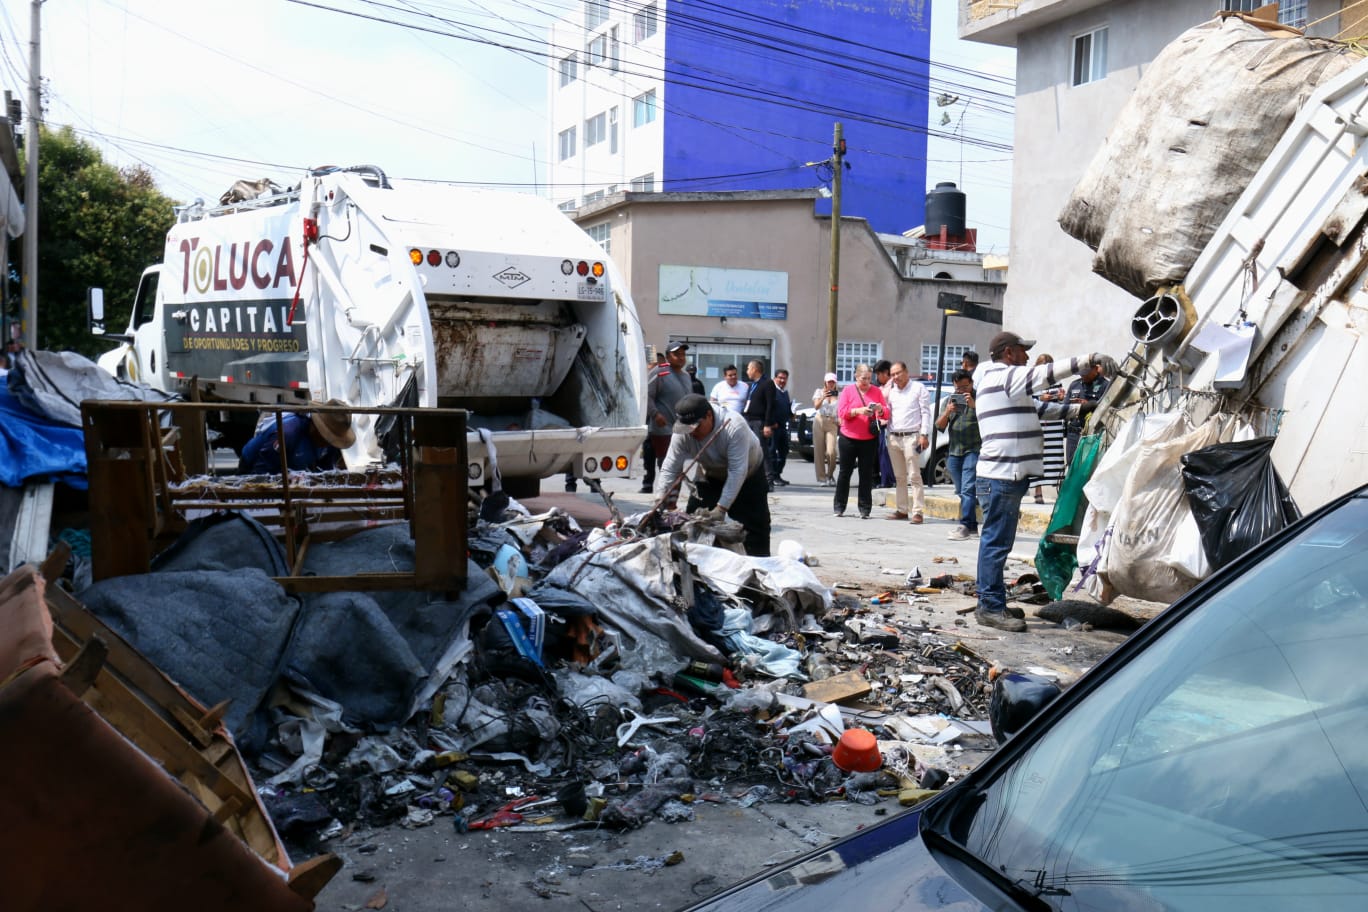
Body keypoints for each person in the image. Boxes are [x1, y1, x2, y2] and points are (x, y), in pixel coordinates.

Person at [974, 331, 1117, 632]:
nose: (1026, 357)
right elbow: (1043, 375)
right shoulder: (1001, 375)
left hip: (1007, 476)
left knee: (999, 542)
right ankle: (989, 607)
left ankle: (993, 602)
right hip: (1001, 476)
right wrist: (1087, 360)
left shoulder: (1007, 384)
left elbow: (1041, 410)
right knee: (996, 544)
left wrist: (1080, 409)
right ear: (1009, 353)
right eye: (1023, 352)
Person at [656, 393, 771, 557]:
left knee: (754, 529)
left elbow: (737, 471)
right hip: (710, 475)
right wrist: (660, 499)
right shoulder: (682, 433)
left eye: (695, 428)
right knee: (693, 524)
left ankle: (759, 569)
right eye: (687, 429)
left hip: (748, 475)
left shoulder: (733, 426)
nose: (691, 434)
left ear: (709, 415)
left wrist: (721, 508)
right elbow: (670, 467)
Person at [239, 400, 356, 474]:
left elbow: (325, 469)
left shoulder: (329, 445)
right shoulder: (288, 433)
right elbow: (261, 470)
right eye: (326, 437)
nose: (327, 442)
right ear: (315, 427)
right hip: (254, 464)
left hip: (293, 468)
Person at [833, 363, 887, 519]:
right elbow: (842, 412)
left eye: (869, 379)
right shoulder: (848, 391)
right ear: (856, 377)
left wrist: (879, 409)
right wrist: (858, 411)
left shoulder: (876, 391)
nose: (866, 382)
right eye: (863, 378)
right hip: (848, 437)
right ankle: (839, 506)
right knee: (845, 472)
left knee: (866, 473)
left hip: (869, 438)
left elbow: (885, 412)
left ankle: (865, 508)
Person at [881, 361, 931, 523]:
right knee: (899, 476)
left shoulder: (918, 389)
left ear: (906, 372)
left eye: (898, 373)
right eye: (892, 374)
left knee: (914, 475)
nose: (895, 377)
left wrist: (924, 434)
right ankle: (902, 509)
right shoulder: (892, 392)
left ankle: (918, 511)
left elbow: (925, 412)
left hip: (912, 437)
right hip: (894, 437)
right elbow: (886, 412)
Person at [936, 369, 981, 541]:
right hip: (954, 451)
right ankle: (973, 526)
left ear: (971, 383)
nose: (962, 391)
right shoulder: (949, 401)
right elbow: (939, 426)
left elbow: (988, 420)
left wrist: (974, 406)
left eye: (965, 387)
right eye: (958, 388)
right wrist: (947, 412)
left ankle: (964, 526)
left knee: (968, 489)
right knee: (962, 491)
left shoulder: (980, 399)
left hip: (974, 450)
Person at [642, 343, 694, 493]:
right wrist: (655, 414)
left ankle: (671, 498)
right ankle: (664, 497)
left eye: (683, 354)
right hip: (662, 427)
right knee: (666, 463)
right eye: (677, 354)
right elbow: (647, 397)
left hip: (681, 428)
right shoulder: (660, 372)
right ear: (667, 357)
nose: (681, 357)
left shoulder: (686, 376)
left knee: (677, 464)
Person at [1031, 353, 1067, 505]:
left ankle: (1058, 489)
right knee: (1037, 456)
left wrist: (1060, 397)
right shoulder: (1031, 381)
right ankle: (1037, 492)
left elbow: (1062, 400)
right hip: (1037, 422)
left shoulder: (1056, 381)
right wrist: (1040, 398)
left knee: (1055, 456)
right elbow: (1026, 399)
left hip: (1053, 422)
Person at [741, 360, 779, 490]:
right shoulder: (752, 385)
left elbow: (770, 405)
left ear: (755, 369)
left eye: (748, 369)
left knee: (762, 450)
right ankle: (750, 479)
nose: (747, 371)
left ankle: (769, 480)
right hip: (748, 419)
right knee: (747, 450)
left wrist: (767, 424)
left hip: (759, 421)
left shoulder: (767, 383)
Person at [1064, 361, 1111, 465]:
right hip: (1074, 433)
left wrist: (1089, 405)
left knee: (1088, 466)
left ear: (1095, 369)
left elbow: (1108, 409)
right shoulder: (1075, 385)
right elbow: (1065, 407)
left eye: (1086, 373)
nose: (1083, 376)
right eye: (1081, 373)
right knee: (1071, 464)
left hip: (1092, 434)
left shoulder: (1105, 385)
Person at [811, 372, 840, 485]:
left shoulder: (839, 394)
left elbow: (841, 409)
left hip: (832, 422)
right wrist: (824, 396)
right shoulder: (819, 391)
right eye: (829, 382)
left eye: (833, 382)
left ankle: (830, 475)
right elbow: (816, 406)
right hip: (819, 420)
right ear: (825, 382)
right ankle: (821, 478)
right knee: (818, 451)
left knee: (831, 452)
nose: (831, 384)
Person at [871, 359, 895, 488]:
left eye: (878, 374)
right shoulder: (881, 386)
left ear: (885, 373)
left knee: (885, 452)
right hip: (880, 422)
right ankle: (883, 479)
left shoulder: (893, 386)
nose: (877, 377)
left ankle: (888, 480)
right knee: (880, 452)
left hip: (889, 423)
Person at [769, 368, 793, 485]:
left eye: (784, 378)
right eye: (780, 378)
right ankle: (773, 476)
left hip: (783, 426)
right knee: (772, 452)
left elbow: (786, 408)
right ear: (775, 378)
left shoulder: (785, 392)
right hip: (774, 427)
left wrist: (791, 413)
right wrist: (771, 422)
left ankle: (778, 474)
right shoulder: (772, 391)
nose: (782, 380)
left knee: (784, 451)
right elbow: (768, 408)